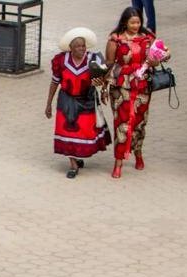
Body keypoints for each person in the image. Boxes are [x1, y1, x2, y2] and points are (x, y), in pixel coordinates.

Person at [106, 7, 166, 179]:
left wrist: (160, 58)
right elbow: (109, 63)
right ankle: (118, 161)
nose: (136, 25)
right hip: (120, 85)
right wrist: (103, 85)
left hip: (142, 86)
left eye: (138, 22)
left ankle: (138, 152)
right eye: (132, 22)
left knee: (139, 121)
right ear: (125, 22)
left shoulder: (148, 38)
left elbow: (161, 55)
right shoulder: (115, 39)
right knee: (122, 123)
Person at [45, 28, 110, 179]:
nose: (81, 49)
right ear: (71, 48)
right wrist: (48, 104)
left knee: (84, 130)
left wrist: (102, 84)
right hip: (66, 101)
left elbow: (104, 78)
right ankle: (73, 163)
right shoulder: (60, 61)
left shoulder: (94, 60)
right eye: (78, 46)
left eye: (83, 46)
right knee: (66, 131)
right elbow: (55, 82)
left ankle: (77, 156)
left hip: (86, 101)